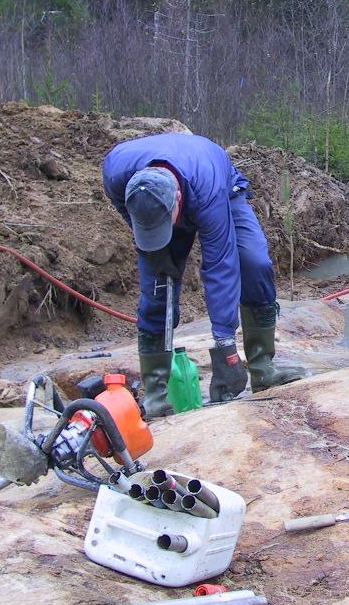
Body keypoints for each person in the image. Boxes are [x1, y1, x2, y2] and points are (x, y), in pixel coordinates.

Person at [102, 132, 306, 416]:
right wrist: (154, 248)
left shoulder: (206, 188)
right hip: (161, 195)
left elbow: (220, 265)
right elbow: (128, 212)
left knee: (253, 261)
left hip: (216, 187)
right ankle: (156, 395)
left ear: (176, 198)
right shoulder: (116, 173)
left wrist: (225, 346)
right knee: (157, 285)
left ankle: (262, 367)